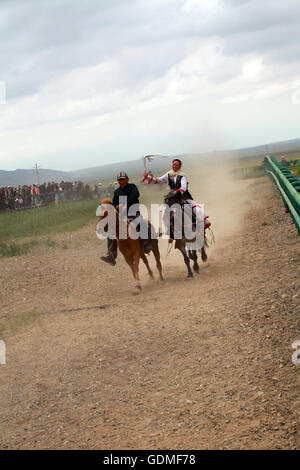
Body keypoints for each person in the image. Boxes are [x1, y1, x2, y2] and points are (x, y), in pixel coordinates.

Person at [142, 158, 211, 236]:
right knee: (166, 215)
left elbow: (184, 187)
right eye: (174, 164)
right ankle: (169, 231)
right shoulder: (168, 175)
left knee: (197, 210)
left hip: (184, 197)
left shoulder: (182, 176)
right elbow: (158, 180)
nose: (175, 166)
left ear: (180, 166)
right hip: (173, 199)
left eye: (177, 165)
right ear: (172, 165)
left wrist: (177, 191)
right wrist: (147, 177)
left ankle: (200, 227)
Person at [100, 172, 151, 265]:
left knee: (141, 223)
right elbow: (114, 203)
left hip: (133, 212)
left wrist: (125, 205)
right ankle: (111, 254)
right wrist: (117, 207)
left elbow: (136, 195)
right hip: (121, 216)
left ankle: (146, 244)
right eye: (120, 180)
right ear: (118, 181)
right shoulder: (117, 192)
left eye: (123, 179)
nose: (121, 181)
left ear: (127, 179)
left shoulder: (132, 187)